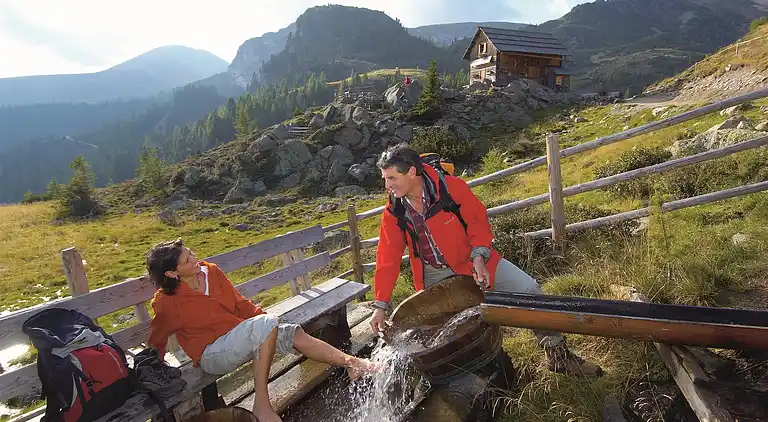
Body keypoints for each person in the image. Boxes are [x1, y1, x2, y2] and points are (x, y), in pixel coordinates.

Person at [369, 144, 603, 377]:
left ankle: (558, 356)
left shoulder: (451, 189)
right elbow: (387, 257)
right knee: (448, 332)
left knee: (528, 289)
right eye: (384, 179)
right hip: (434, 273)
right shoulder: (394, 212)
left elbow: (477, 223)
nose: (387, 186)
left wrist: (479, 256)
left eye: (391, 178)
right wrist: (380, 305)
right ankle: (490, 370)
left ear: (411, 172)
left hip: (473, 259)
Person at [146, 239, 377, 422]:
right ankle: (262, 405)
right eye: (188, 260)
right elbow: (157, 340)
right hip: (212, 354)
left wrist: (268, 324)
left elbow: (240, 304)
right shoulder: (167, 302)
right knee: (267, 325)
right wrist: (150, 370)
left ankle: (351, 363)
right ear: (172, 273)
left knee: (292, 332)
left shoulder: (211, 272)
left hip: (242, 336)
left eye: (191, 253)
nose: (195, 259)